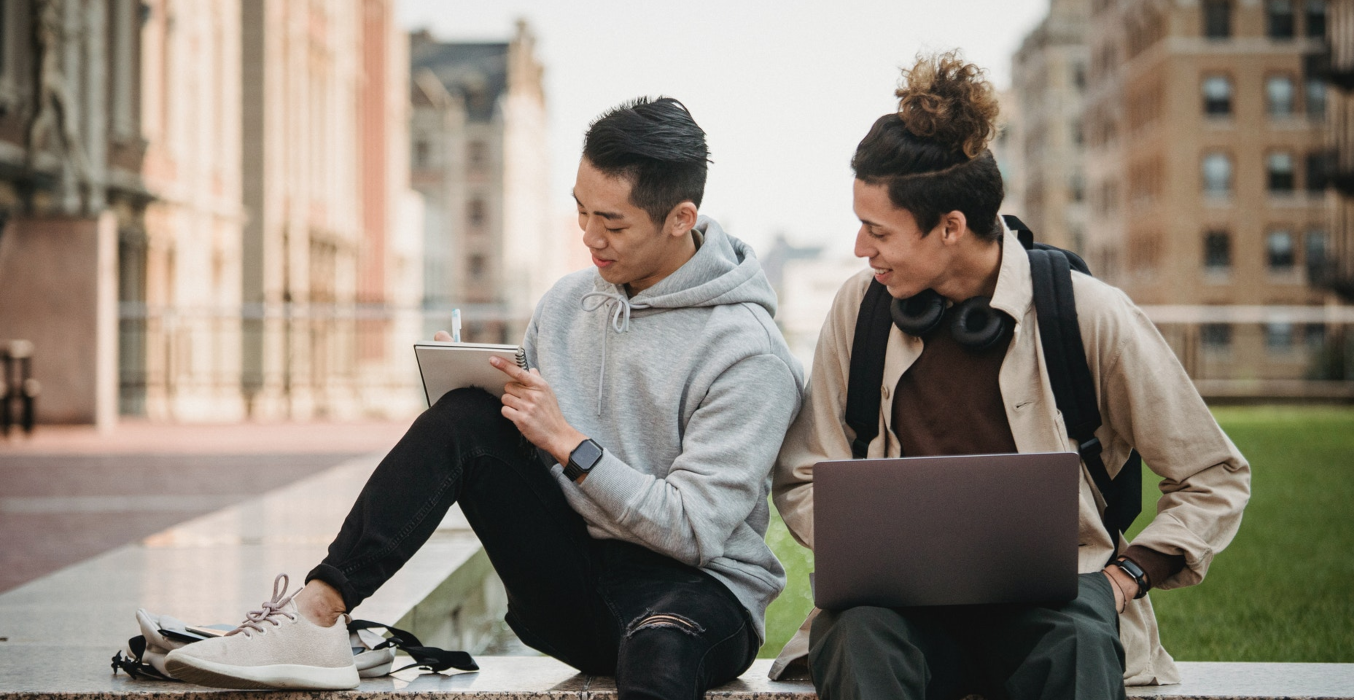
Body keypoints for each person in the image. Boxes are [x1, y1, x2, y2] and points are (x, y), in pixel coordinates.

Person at [166, 97, 806, 700]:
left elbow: (694, 531)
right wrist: (475, 381)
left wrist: (571, 446)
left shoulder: (748, 352)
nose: (589, 236)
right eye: (581, 210)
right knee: (468, 416)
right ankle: (316, 615)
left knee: (660, 647)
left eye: (611, 222)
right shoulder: (566, 303)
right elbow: (514, 452)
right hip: (572, 585)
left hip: (696, 600)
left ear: (680, 219)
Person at [769, 53, 1252, 700]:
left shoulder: (1089, 314)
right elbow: (804, 472)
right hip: (900, 610)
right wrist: (866, 555)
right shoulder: (861, 310)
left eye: (876, 231)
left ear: (950, 228)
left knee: (1078, 645)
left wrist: (1125, 577)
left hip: (1057, 606)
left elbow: (1214, 475)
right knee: (857, 634)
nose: (861, 250)